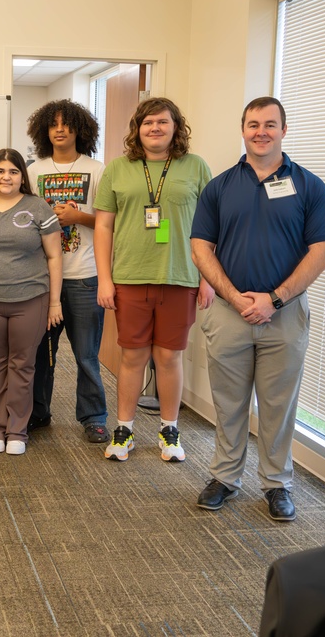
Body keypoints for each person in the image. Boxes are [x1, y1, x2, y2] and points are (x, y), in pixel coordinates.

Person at [190, 96, 325, 521]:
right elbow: (201, 248)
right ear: (243, 129)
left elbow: (322, 251)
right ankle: (224, 477)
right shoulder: (219, 187)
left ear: (284, 131)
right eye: (253, 124)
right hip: (228, 311)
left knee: (278, 403)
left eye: (270, 125)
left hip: (285, 315)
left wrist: (275, 298)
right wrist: (236, 298)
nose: (261, 132)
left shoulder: (309, 186)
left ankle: (277, 484)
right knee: (228, 401)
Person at [94, 97, 213, 463]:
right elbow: (103, 225)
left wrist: (208, 278)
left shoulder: (195, 167)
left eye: (163, 122)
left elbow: (213, 227)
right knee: (132, 356)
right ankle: (125, 429)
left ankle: (169, 429)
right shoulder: (118, 168)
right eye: (148, 123)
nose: (155, 128)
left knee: (169, 357)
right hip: (129, 276)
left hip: (180, 277)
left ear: (176, 127)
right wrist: (104, 279)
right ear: (137, 129)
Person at [0, 148, 63, 455]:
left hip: (30, 299)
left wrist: (55, 302)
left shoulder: (38, 207)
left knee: (22, 365)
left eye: (13, 172)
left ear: (22, 177)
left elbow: (55, 256)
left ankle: (17, 430)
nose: (6, 177)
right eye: (1, 171)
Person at [25, 100, 110, 444]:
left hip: (85, 276)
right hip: (43, 279)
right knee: (40, 354)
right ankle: (37, 411)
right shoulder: (32, 171)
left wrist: (78, 218)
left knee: (86, 354)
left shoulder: (99, 169)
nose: (60, 129)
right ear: (44, 131)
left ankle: (94, 417)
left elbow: (109, 223)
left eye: (67, 124)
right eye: (53, 124)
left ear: (79, 129)